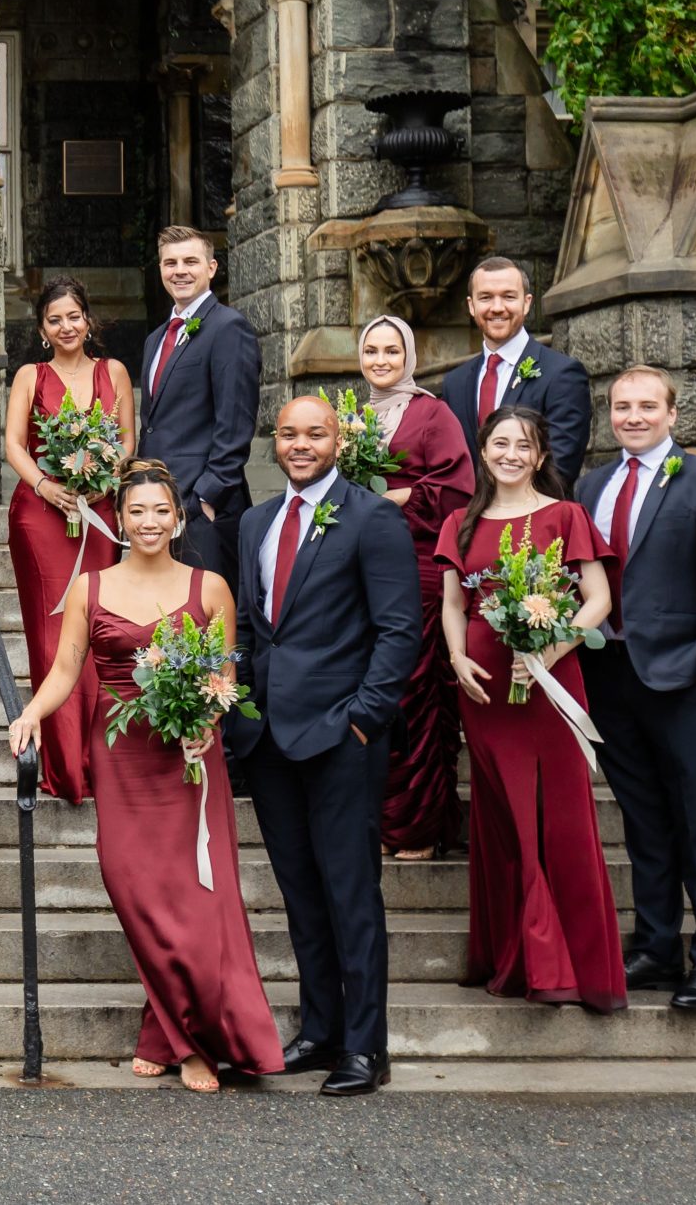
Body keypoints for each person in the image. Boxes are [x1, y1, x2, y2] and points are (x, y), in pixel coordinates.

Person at [7, 460, 283, 1092]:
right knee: (131, 885)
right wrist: (30, 714)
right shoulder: (90, 587)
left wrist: (205, 720)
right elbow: (67, 666)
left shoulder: (209, 586)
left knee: (195, 896)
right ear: (119, 519)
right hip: (123, 753)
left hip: (188, 755)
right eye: (137, 511)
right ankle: (170, 1026)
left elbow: (225, 679)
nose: (150, 521)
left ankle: (189, 1043)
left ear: (179, 517)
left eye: (161, 510)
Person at [228, 395, 423, 1096]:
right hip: (270, 740)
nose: (301, 444)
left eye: (315, 432)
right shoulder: (255, 521)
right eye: (289, 433)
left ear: (339, 438)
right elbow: (252, 628)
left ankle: (367, 1046)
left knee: (350, 893)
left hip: (343, 735)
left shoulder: (373, 518)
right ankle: (320, 1028)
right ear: (274, 441)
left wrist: (365, 718)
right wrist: (239, 705)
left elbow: (400, 630)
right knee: (301, 893)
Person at [438, 404, 625, 1012]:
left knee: (561, 821)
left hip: (552, 683)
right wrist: (458, 659)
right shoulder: (461, 523)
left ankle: (566, 965)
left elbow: (596, 599)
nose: (511, 454)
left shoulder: (565, 516)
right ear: (483, 451)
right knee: (507, 822)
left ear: (540, 456)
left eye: (523, 445)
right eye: (499, 443)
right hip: (489, 691)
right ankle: (516, 957)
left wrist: (549, 646)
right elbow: (452, 605)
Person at [575, 366, 696, 1012]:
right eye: (623, 406)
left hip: (681, 677)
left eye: (648, 405)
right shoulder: (593, 484)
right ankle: (655, 943)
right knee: (643, 816)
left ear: (674, 414)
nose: (634, 416)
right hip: (609, 676)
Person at [2, 277, 136, 806]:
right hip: (42, 514)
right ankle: (60, 766)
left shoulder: (114, 372)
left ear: (89, 320)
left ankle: (99, 761)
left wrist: (107, 471)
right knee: (52, 634)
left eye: (74, 316)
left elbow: (127, 437)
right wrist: (47, 486)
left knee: (100, 629)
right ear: (42, 329)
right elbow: (14, 444)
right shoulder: (30, 376)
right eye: (55, 319)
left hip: (98, 507)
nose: (66, 327)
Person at [357, 316, 477, 861]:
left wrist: (395, 500)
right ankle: (382, 817)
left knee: (416, 692)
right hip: (363, 571)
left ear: (409, 354)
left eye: (391, 350)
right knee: (374, 688)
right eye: (372, 350)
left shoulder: (432, 412)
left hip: (418, 569)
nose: (381, 360)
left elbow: (459, 486)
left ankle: (419, 825)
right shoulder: (353, 417)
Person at [135, 227, 260, 590]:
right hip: (158, 504)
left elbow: (235, 419)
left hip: (204, 508)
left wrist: (208, 495)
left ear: (211, 268)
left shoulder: (229, 327)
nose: (180, 271)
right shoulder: (155, 339)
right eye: (170, 262)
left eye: (191, 261)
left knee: (210, 620)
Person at [438, 257, 591, 487]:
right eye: (486, 297)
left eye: (508, 296)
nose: (497, 308)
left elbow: (561, 466)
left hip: (535, 516)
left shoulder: (562, 374)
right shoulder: (455, 383)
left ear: (527, 303)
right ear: (471, 306)